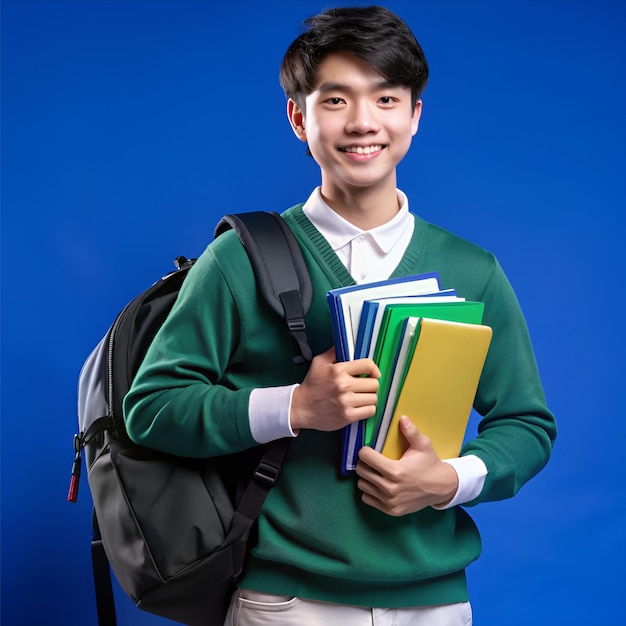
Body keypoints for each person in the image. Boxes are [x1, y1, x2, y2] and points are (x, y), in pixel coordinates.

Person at [123, 6, 557, 625]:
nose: (362, 122)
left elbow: (527, 424)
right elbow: (152, 409)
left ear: (415, 115)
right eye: (335, 101)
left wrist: (451, 480)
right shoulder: (239, 260)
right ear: (299, 118)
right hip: (285, 601)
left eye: (385, 98)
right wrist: (295, 407)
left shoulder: (473, 269)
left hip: (434, 602)